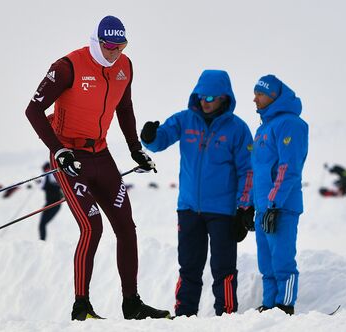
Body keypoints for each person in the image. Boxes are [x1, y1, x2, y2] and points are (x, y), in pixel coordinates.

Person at [24, 15, 169, 320]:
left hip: (101, 155)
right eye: (110, 46)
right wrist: (59, 150)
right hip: (70, 158)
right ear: (97, 41)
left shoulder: (124, 67)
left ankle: (132, 303)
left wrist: (134, 149)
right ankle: (81, 307)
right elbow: (34, 109)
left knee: (127, 228)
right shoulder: (68, 67)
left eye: (121, 46)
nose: (115, 52)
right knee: (93, 226)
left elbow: (124, 107)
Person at [140, 70, 254, 317]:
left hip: (223, 212)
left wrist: (244, 207)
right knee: (189, 266)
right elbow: (160, 140)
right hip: (189, 208)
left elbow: (248, 170)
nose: (205, 101)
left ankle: (226, 315)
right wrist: (149, 137)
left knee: (223, 267)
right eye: (201, 96)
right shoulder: (185, 120)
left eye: (211, 97)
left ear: (224, 97)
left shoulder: (238, 129)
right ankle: (184, 315)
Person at [251, 74, 308, 315]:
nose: (254, 99)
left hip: (281, 207)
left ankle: (285, 306)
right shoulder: (263, 128)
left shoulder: (291, 124)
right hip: (264, 208)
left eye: (260, 94)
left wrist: (274, 204)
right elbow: (258, 171)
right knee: (266, 263)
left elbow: (288, 168)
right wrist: (251, 206)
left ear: (273, 96)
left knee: (282, 260)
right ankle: (269, 305)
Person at [39, 161, 64, 240]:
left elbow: (56, 183)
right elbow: (42, 186)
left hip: (55, 204)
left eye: (45, 170)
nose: (45, 171)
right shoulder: (48, 176)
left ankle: (42, 241)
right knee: (42, 224)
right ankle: (42, 241)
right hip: (49, 203)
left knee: (42, 224)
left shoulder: (52, 174)